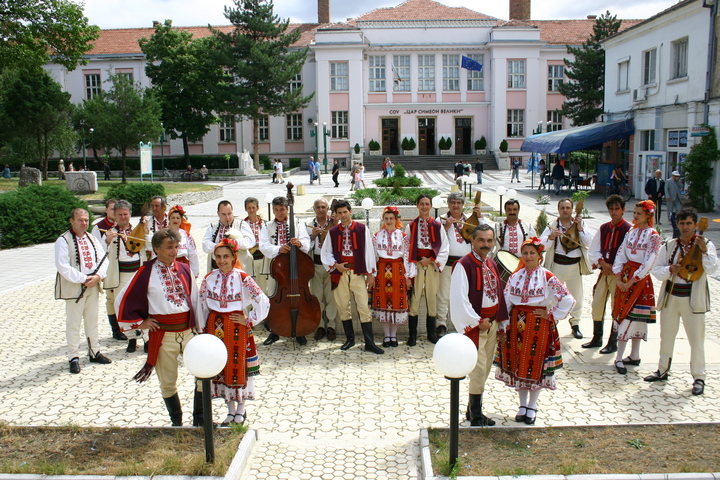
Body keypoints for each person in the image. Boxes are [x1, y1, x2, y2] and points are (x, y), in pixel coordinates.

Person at [115, 229, 203, 427]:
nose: (174, 252)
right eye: (169, 248)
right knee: (168, 381)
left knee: (203, 375)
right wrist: (140, 323)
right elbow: (122, 300)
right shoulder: (145, 272)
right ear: (156, 249)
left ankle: (200, 421)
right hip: (163, 336)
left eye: (176, 247)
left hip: (188, 333)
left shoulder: (184, 268)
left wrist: (199, 328)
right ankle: (177, 424)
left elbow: (195, 300)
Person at [495, 237, 575, 425]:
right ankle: (522, 405)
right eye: (525, 253)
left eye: (532, 253)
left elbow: (567, 298)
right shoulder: (516, 275)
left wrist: (551, 314)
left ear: (540, 255)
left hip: (538, 325)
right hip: (516, 324)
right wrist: (503, 326)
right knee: (518, 363)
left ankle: (532, 405)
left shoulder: (547, 276)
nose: (529, 256)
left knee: (535, 365)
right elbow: (506, 301)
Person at [198, 238, 270, 426]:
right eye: (219, 257)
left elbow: (262, 300)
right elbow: (202, 306)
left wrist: (250, 320)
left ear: (233, 257)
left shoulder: (243, 278)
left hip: (237, 327)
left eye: (226, 257)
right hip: (215, 327)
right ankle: (230, 411)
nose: (222, 261)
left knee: (238, 367)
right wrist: (202, 329)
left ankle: (241, 409)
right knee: (221, 367)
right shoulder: (208, 278)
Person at [647, 208, 718, 395]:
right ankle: (662, 370)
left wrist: (703, 251)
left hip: (693, 300)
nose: (685, 227)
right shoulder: (669, 245)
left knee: (696, 339)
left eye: (689, 223)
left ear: (695, 225)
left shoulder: (706, 244)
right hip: (672, 297)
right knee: (666, 336)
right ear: (677, 225)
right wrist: (670, 269)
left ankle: (699, 376)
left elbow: (712, 270)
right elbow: (656, 270)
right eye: (682, 223)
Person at [450, 224, 509, 426]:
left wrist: (500, 324)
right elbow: (458, 299)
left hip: (491, 325)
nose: (486, 244)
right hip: (476, 326)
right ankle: (475, 415)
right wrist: (476, 322)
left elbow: (498, 294)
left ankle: (471, 410)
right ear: (472, 241)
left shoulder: (491, 264)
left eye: (489, 240)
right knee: (479, 369)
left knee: (484, 369)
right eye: (481, 240)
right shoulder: (463, 265)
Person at [320, 200, 383, 354]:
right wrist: (335, 265)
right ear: (336, 214)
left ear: (350, 211)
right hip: (340, 272)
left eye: (345, 212)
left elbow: (369, 251)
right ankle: (350, 339)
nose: (343, 215)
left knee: (363, 306)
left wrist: (371, 275)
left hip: (358, 272)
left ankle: (369, 342)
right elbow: (326, 252)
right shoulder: (333, 232)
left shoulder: (362, 228)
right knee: (343, 306)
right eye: (339, 213)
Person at [54, 208, 112, 374]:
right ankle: (73, 357)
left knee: (92, 320)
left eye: (86, 220)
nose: (84, 223)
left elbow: (103, 260)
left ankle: (95, 351)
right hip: (75, 287)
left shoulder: (92, 238)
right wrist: (83, 279)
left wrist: (97, 276)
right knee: (73, 323)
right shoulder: (63, 240)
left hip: (92, 285)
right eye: (80, 220)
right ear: (72, 221)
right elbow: (62, 266)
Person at [611, 200, 662, 375]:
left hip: (640, 279)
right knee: (623, 315)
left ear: (648, 215)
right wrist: (618, 275)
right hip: (626, 273)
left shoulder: (653, 235)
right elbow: (621, 252)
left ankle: (625, 356)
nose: (635, 216)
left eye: (639, 213)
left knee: (633, 318)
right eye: (634, 213)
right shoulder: (631, 232)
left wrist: (632, 280)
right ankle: (630, 355)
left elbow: (650, 260)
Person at [259, 195, 312, 346]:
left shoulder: (297, 222)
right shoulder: (267, 226)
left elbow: (307, 243)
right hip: (278, 270)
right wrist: (279, 249)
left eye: (282, 209)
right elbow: (263, 246)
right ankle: (275, 331)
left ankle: (299, 330)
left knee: (299, 299)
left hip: (298, 267)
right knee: (276, 300)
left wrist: (300, 242)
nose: (279, 213)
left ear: (287, 209)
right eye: (276, 210)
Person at [584, 195, 632, 353]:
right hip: (604, 272)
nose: (614, 212)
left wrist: (616, 268)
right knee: (597, 303)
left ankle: (613, 341)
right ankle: (597, 338)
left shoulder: (629, 229)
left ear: (623, 210)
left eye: (617, 209)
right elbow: (593, 249)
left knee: (616, 306)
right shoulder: (604, 228)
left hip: (619, 275)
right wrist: (603, 264)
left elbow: (629, 253)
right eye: (611, 209)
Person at [540, 198, 593, 339]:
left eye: (568, 207)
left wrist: (580, 228)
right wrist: (551, 237)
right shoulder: (552, 225)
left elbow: (589, 243)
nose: (565, 210)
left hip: (574, 266)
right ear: (558, 210)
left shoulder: (579, 224)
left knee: (577, 296)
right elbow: (541, 246)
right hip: (557, 265)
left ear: (572, 209)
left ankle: (575, 324)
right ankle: (552, 323)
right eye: (562, 207)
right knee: (552, 296)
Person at [436, 192, 483, 339]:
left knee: (465, 296)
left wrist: (479, 216)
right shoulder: (441, 219)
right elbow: (435, 240)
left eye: (459, 202)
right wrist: (447, 227)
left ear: (463, 205)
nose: (456, 205)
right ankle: (441, 324)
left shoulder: (470, 219)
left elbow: (484, 232)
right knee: (444, 295)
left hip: (466, 265)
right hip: (448, 264)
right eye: (453, 202)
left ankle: (465, 325)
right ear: (449, 204)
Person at [405, 194, 449, 345]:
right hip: (416, 265)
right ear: (417, 205)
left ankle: (431, 334)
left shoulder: (438, 226)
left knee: (431, 297)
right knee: (415, 298)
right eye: (421, 204)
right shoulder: (411, 225)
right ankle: (412, 335)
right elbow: (407, 248)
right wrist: (409, 269)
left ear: (430, 206)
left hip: (431, 264)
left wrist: (431, 260)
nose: (424, 207)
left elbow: (444, 247)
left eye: (427, 204)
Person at [102, 200, 146, 351]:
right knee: (123, 306)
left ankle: (147, 338)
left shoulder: (138, 230)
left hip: (138, 272)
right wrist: (107, 240)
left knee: (143, 305)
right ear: (114, 215)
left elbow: (150, 245)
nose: (123, 217)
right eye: (119, 214)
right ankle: (131, 337)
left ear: (130, 214)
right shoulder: (110, 232)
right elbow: (101, 252)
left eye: (125, 214)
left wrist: (145, 230)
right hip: (121, 274)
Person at [371, 206, 414, 348]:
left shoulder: (402, 236)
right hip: (381, 271)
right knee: (383, 302)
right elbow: (372, 257)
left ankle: (393, 336)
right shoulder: (376, 236)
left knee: (397, 301)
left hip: (398, 271)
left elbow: (407, 257)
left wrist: (408, 277)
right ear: (383, 220)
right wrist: (372, 275)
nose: (389, 221)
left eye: (391, 218)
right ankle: (386, 335)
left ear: (396, 220)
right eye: (386, 218)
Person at [306, 198, 339, 341]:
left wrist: (335, 225)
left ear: (327, 209)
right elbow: (304, 245)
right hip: (315, 264)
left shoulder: (333, 223)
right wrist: (312, 236)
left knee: (331, 296)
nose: (321, 209)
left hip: (330, 266)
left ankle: (331, 326)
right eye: (318, 207)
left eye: (323, 207)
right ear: (314, 209)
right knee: (317, 297)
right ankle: (319, 325)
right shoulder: (308, 225)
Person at [202, 200, 254, 274]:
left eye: (229, 213)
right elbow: (205, 245)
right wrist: (218, 246)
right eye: (223, 214)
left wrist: (235, 243)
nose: (227, 217)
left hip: (239, 268)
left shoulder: (241, 224)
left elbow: (250, 241)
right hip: (218, 268)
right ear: (218, 214)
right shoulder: (213, 226)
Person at [243, 197, 267, 293]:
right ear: (245, 209)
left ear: (258, 208)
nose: (251, 210)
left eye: (253, 207)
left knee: (262, 287)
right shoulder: (242, 224)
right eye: (249, 208)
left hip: (262, 258)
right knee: (248, 287)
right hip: (248, 259)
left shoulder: (265, 224)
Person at [168, 205, 200, 278]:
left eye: (178, 218)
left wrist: (194, 273)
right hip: (167, 266)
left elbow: (193, 255)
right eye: (173, 218)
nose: (175, 220)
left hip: (182, 267)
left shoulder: (186, 235)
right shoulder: (164, 234)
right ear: (169, 219)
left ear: (181, 220)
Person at [143, 195, 168, 261]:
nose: (154, 209)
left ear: (164, 207)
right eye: (152, 206)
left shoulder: (171, 220)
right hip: (153, 259)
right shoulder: (147, 223)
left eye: (157, 206)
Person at [666, 171, 682, 238]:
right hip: (671, 197)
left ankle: (677, 218)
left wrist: (679, 181)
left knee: (679, 208)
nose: (676, 177)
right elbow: (666, 189)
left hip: (677, 197)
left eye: (677, 176)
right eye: (675, 176)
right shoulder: (668, 181)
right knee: (670, 209)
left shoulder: (678, 181)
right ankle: (670, 220)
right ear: (672, 176)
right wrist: (667, 196)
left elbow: (681, 186)